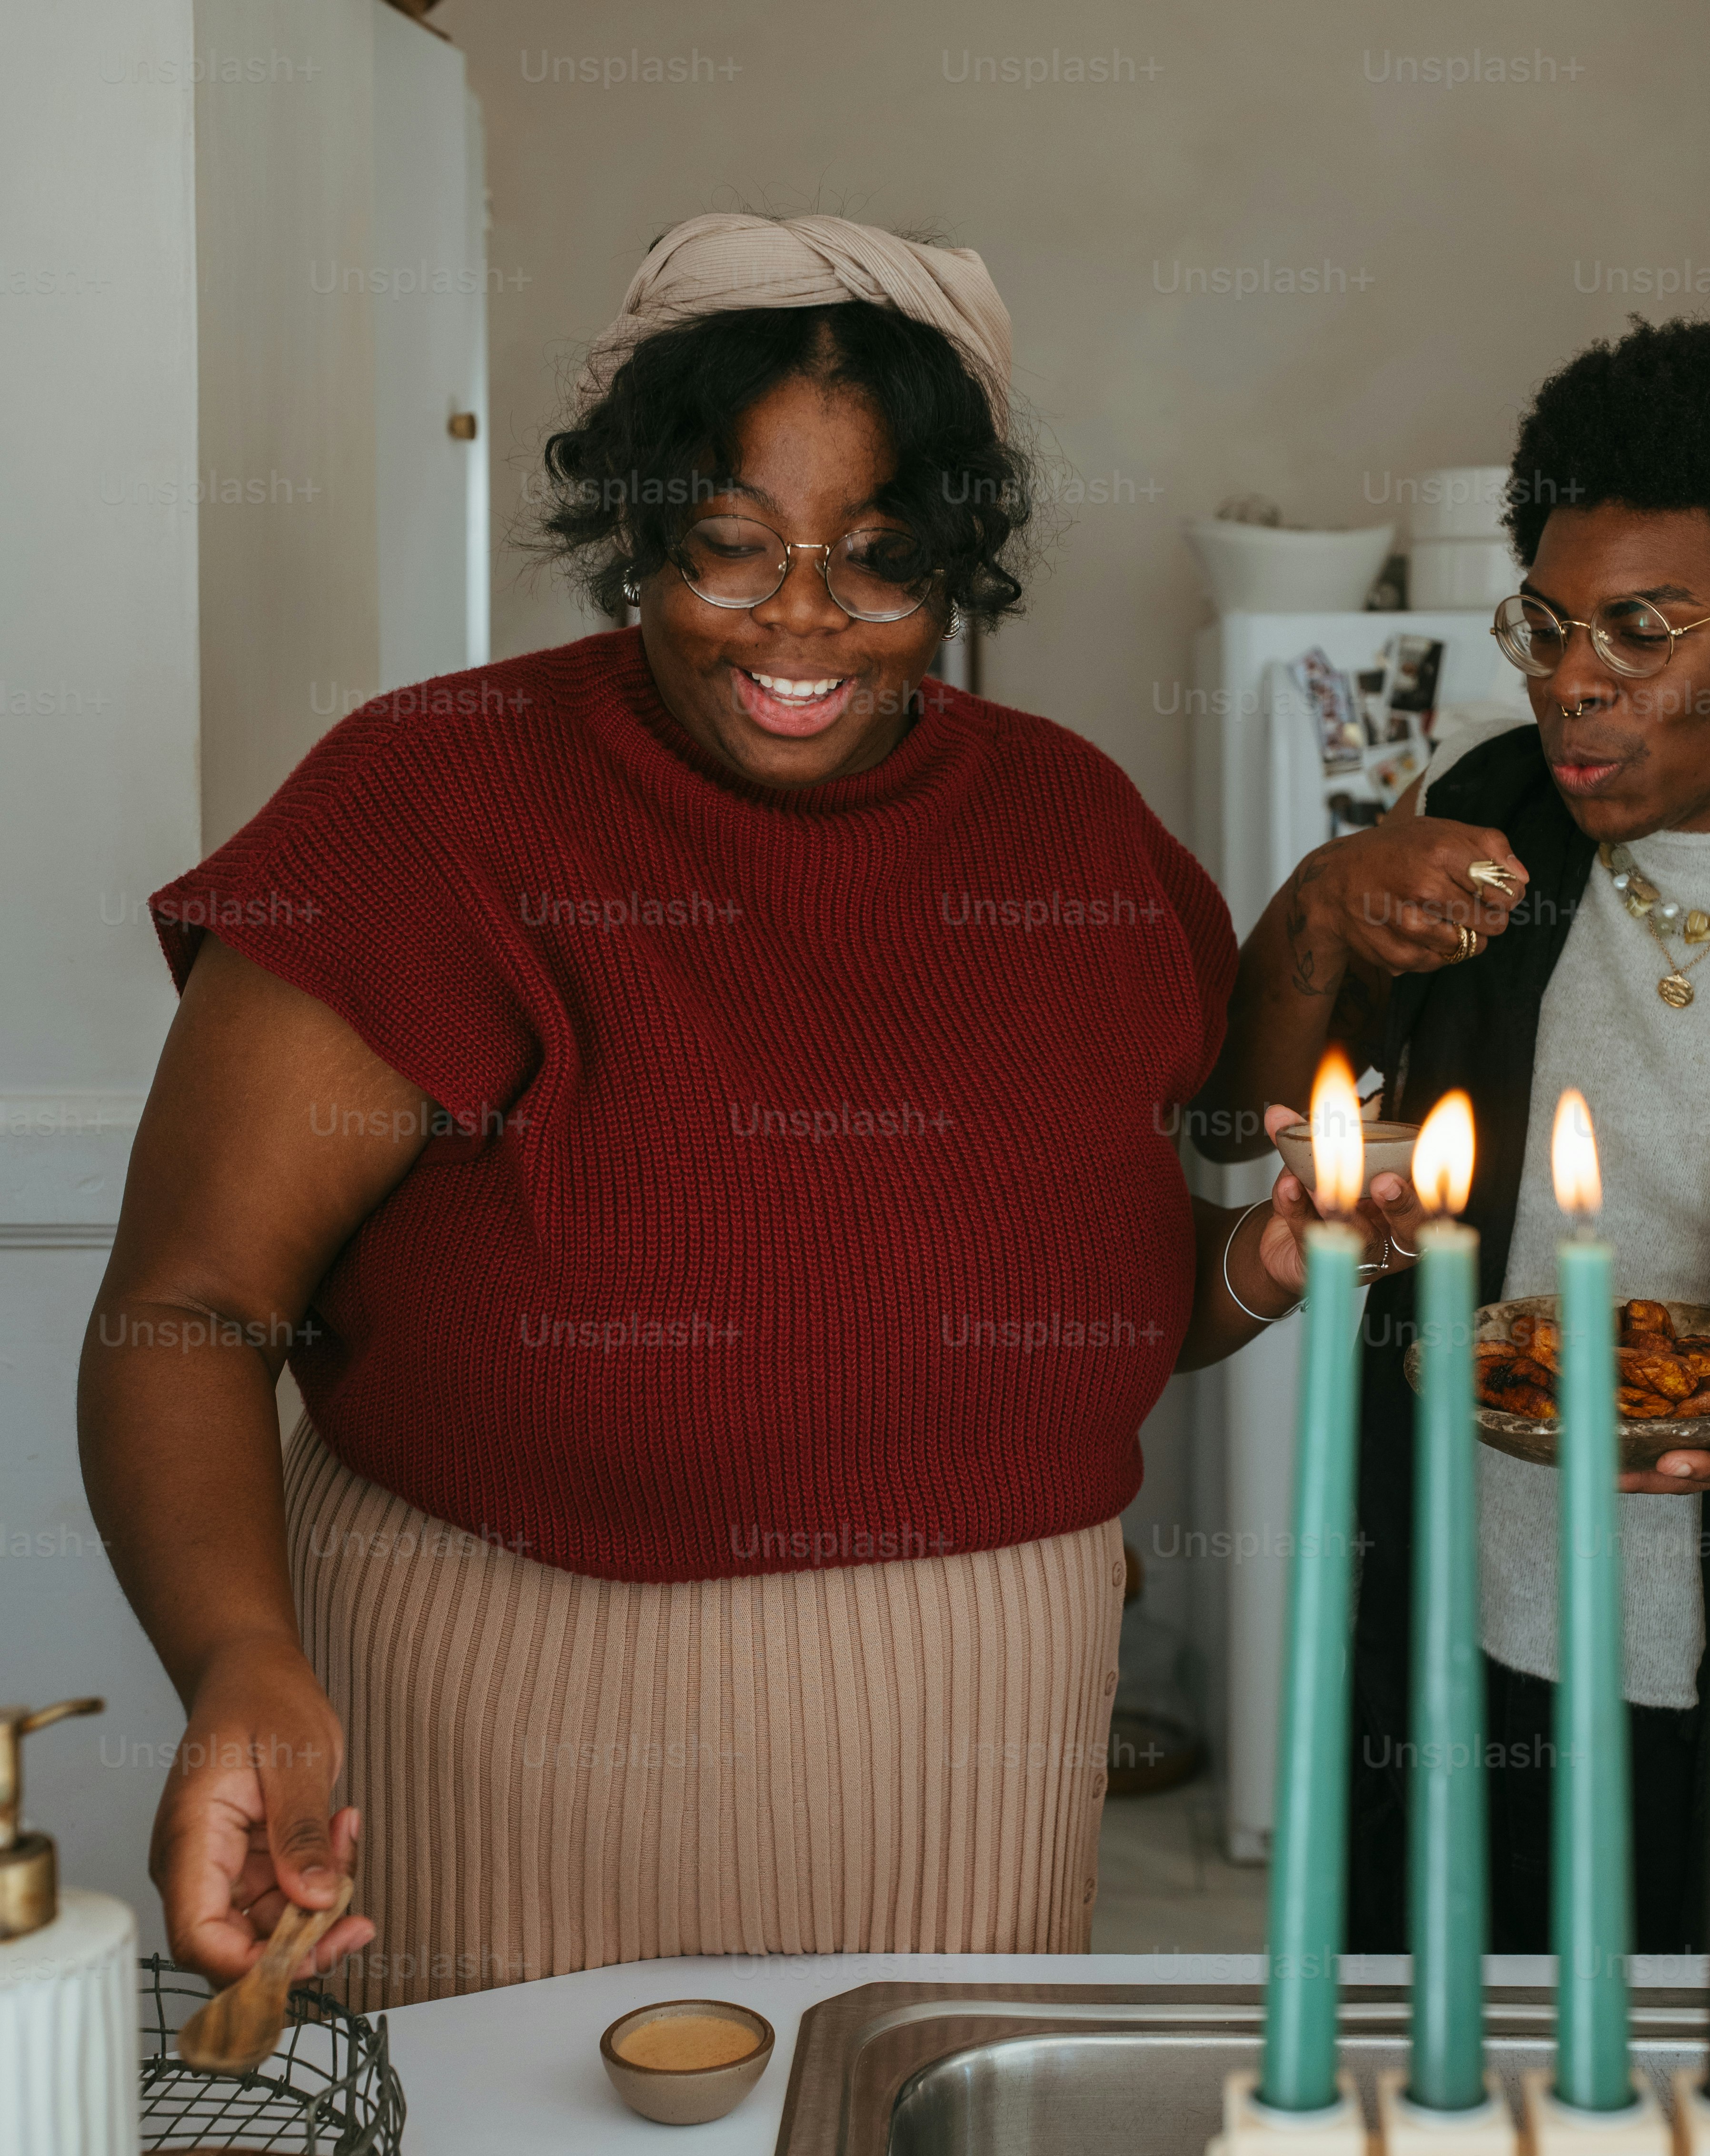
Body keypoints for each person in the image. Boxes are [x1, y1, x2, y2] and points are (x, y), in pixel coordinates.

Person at [79, 212, 1352, 2006]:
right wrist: (236, 1661)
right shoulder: (432, 805)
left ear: (958, 567)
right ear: (635, 539)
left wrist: (1255, 1272)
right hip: (505, 1724)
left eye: (878, 561)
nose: (804, 623)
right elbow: (189, 1305)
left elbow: (1093, 1304)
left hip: (976, 1751)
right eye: (730, 553)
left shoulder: (1068, 830)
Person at [1198, 315, 1710, 1956]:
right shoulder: (1489, 803)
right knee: (1459, 2064)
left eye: (1639, 631)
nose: (1573, 680)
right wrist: (1318, 905)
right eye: (1551, 623)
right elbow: (1240, 1118)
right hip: (1475, 1594)